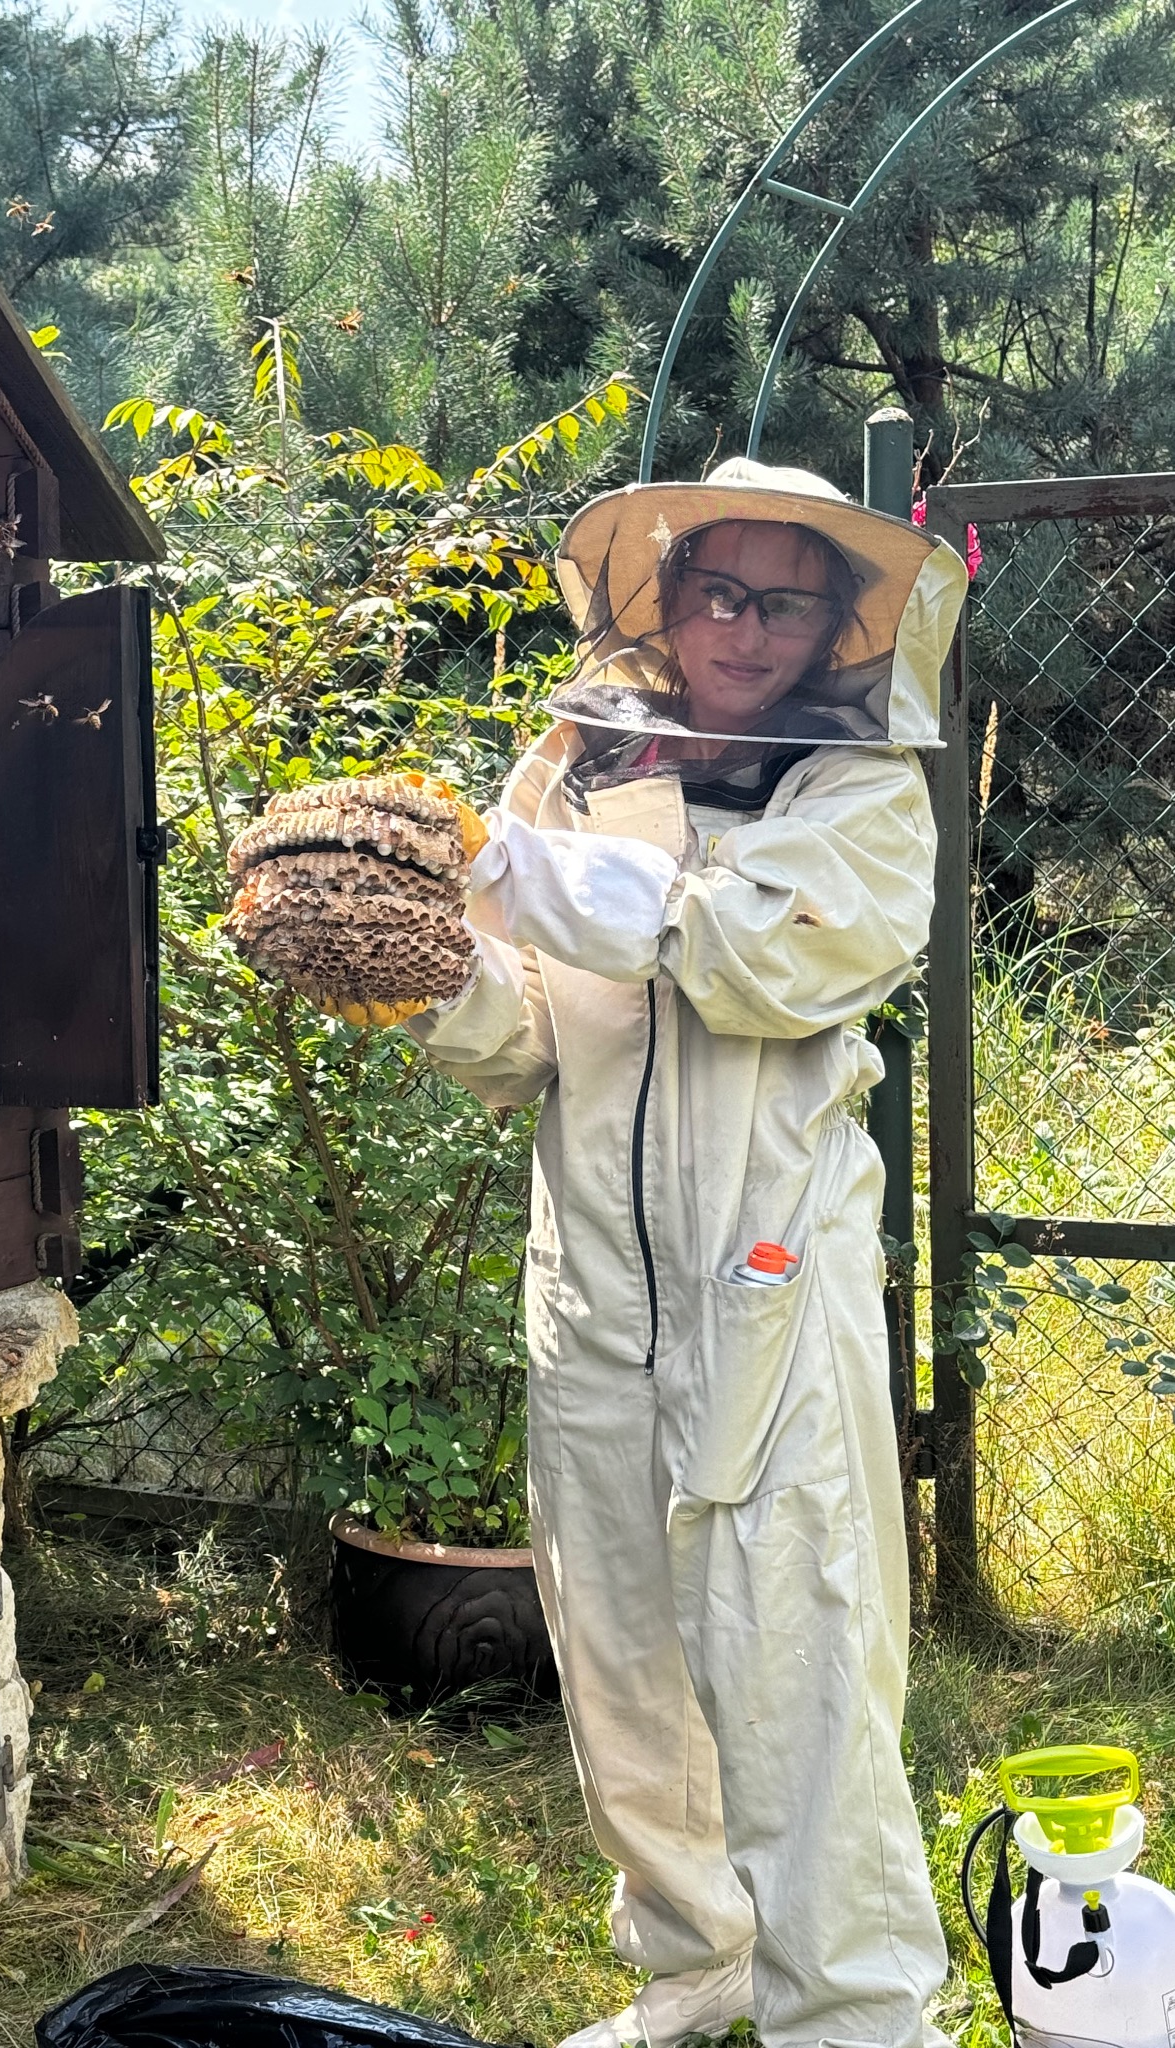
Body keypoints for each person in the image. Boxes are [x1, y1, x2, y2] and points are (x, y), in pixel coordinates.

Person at [403, 459, 970, 2048]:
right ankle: (698, 1957)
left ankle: (853, 2014)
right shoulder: (574, 768)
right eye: (719, 591)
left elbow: (747, 950)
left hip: (768, 1276)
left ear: (836, 623)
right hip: (590, 1275)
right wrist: (424, 972)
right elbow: (524, 1033)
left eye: (785, 602)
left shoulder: (861, 796)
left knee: (797, 1643)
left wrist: (508, 873)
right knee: (620, 1647)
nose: (745, 629)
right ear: (663, 595)